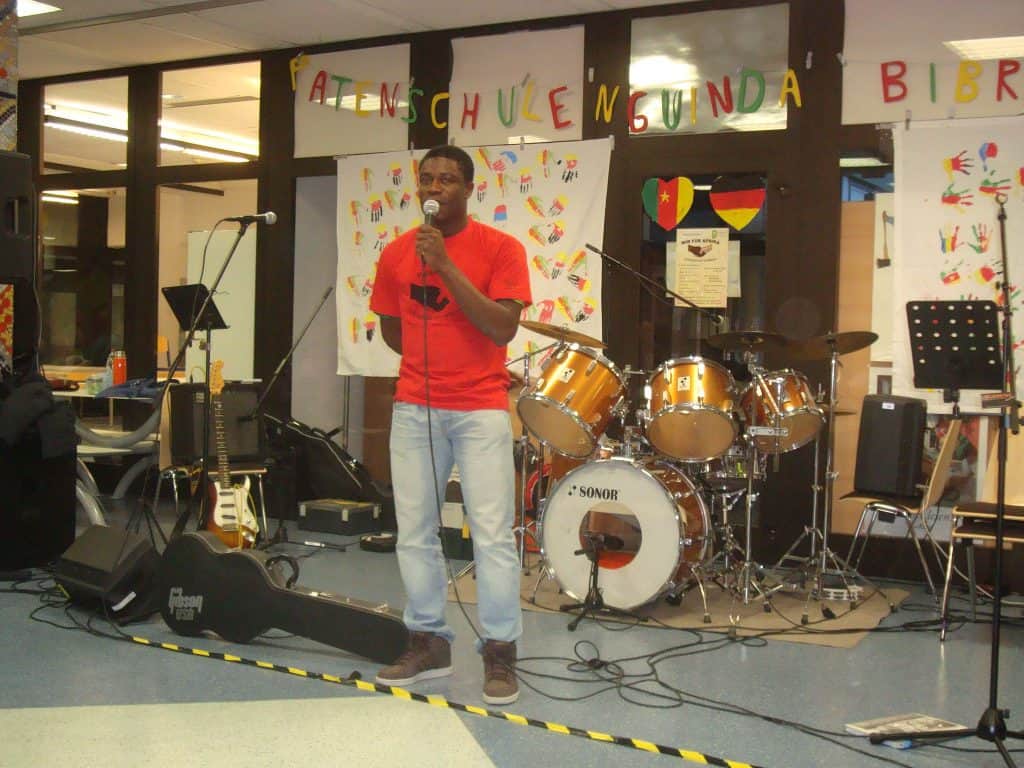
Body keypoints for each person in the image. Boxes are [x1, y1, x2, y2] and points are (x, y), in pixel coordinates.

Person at [369, 144, 531, 705]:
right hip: (416, 407)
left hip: (482, 408)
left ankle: (500, 651)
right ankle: (429, 641)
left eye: (448, 180)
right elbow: (393, 330)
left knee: (491, 537)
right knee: (414, 531)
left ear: (469, 188)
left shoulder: (500, 249)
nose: (435, 189)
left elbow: (501, 328)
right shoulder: (394, 254)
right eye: (427, 179)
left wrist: (444, 267)